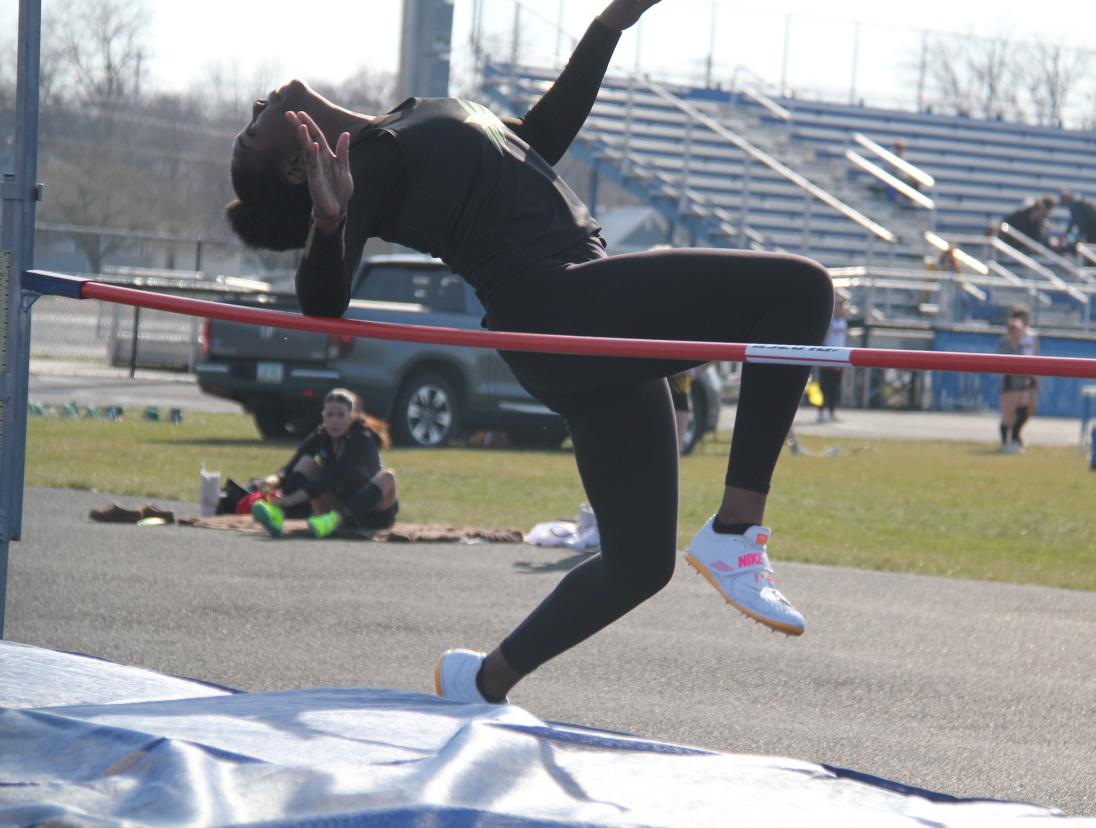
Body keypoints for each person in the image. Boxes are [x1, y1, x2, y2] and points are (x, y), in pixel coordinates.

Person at [224, 0, 833, 706]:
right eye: (250, 132)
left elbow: (536, 138)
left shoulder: (403, 121)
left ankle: (480, 680)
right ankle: (736, 527)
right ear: (300, 167)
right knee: (800, 294)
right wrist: (329, 226)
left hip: (567, 316)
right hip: (559, 308)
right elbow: (323, 305)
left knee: (638, 566)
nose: (256, 106)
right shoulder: (370, 168)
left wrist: (609, 25)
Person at [251, 388, 399, 538]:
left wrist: (290, 500)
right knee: (306, 462)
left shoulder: (362, 440)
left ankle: (334, 520)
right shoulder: (321, 435)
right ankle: (277, 513)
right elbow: (291, 467)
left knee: (388, 476)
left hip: (371, 514)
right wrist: (271, 481)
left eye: (340, 415)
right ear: (323, 416)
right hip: (337, 506)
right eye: (329, 415)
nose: (334, 420)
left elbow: (333, 477)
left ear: (351, 417)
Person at [997, 307, 1038, 453]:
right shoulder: (1007, 341)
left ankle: (1015, 438)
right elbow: (1004, 359)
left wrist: (1034, 378)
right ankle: (1006, 443)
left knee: (1024, 410)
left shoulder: (1028, 338)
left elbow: (1033, 356)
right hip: (1011, 380)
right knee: (1008, 414)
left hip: (1024, 379)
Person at [816, 295, 850, 423]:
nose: (840, 308)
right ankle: (821, 411)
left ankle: (831, 411)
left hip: (840, 358)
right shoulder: (829, 321)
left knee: (835, 387)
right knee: (824, 387)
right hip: (828, 357)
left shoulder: (843, 321)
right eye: (838, 305)